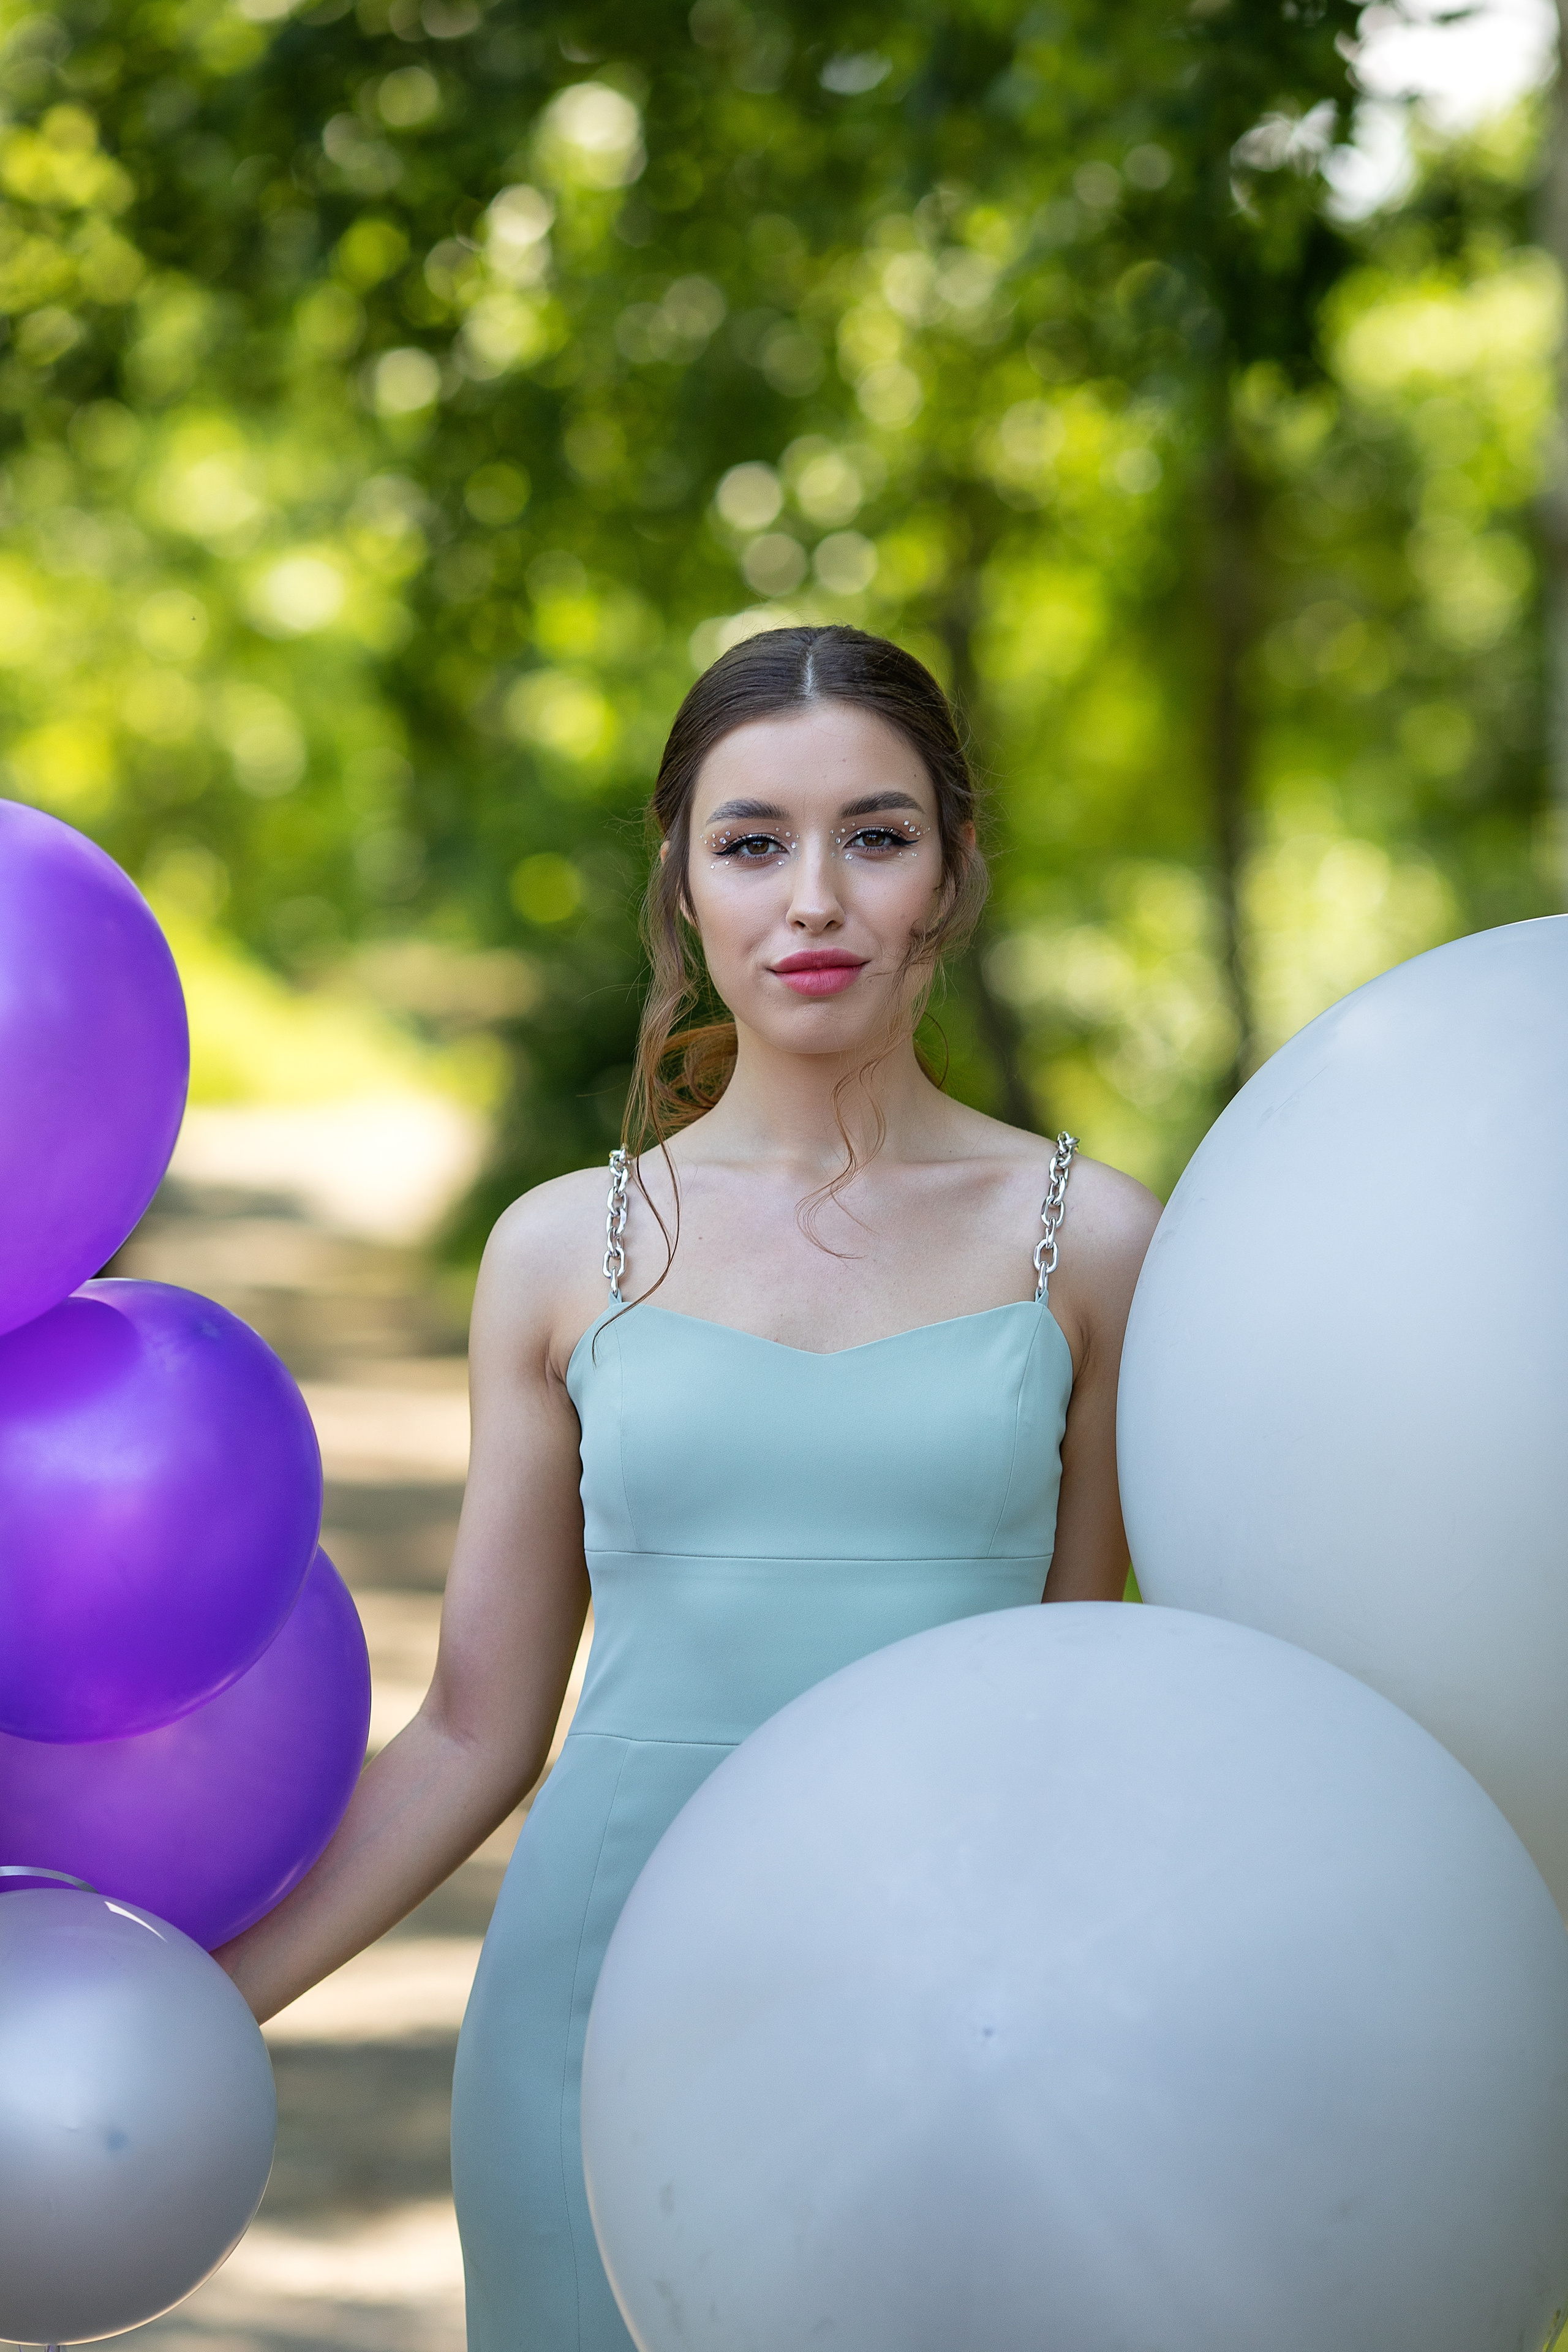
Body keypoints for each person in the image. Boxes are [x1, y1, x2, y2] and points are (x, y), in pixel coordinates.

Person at [216, 624, 1161, 2351]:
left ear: (951, 874)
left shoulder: (1092, 1244)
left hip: (958, 2014)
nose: (814, 897)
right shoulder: (562, 1251)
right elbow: (474, 1736)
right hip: (601, 2001)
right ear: (685, 882)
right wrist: (201, 2004)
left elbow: (1080, 1706)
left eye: (875, 837)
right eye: (753, 842)